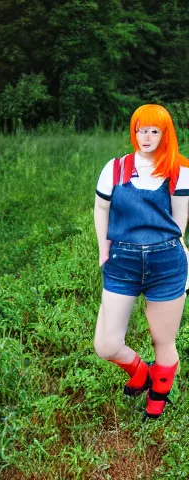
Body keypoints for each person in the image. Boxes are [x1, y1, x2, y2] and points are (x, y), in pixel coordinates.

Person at [93, 104, 189, 419]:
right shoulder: (115, 168)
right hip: (123, 261)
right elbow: (101, 210)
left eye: (153, 130)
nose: (145, 137)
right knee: (105, 345)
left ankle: (158, 398)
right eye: (139, 129)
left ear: (165, 133)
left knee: (164, 339)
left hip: (165, 262)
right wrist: (103, 248)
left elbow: (179, 223)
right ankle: (140, 371)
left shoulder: (180, 170)